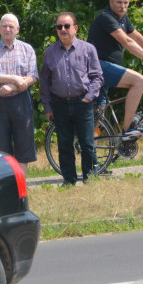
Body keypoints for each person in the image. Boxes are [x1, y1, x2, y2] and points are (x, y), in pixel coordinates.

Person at [87, 0, 143, 141]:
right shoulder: (106, 17)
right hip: (98, 67)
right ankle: (128, 130)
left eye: (126, 3)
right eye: (119, 2)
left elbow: (135, 36)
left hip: (103, 70)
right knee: (138, 81)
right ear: (111, 2)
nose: (123, 6)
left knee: (97, 119)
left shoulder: (122, 17)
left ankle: (93, 161)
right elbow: (127, 42)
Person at [39, 12, 103, 186]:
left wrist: (89, 98)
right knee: (64, 145)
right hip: (59, 104)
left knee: (87, 144)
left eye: (67, 26)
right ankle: (69, 180)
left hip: (83, 102)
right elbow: (44, 83)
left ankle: (90, 178)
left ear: (75, 28)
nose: (63, 30)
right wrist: (47, 107)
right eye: (59, 26)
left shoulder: (88, 49)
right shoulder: (50, 53)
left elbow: (97, 77)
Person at [0, 13, 38, 174]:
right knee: (2, 142)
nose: (7, 29)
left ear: (17, 29)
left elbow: (32, 76)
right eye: (4, 26)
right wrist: (14, 78)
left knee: (24, 140)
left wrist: (12, 87)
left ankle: (21, 181)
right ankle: (8, 180)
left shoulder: (27, 49)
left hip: (21, 100)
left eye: (11, 26)